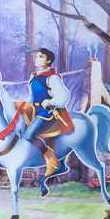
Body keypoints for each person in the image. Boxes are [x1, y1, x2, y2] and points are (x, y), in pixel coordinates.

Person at [24, 47, 72, 176]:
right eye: (37, 56)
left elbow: (64, 96)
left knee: (29, 135)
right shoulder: (33, 77)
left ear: (49, 60)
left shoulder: (52, 78)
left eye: (41, 56)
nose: (37, 59)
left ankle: (51, 158)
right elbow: (30, 98)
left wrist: (50, 101)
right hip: (35, 110)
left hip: (47, 112)